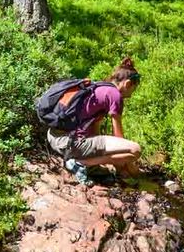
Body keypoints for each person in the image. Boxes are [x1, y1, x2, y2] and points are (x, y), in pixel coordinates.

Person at [47, 57, 142, 185]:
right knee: (135, 150)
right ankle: (80, 163)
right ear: (128, 84)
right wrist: (126, 167)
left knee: (121, 150)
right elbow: (119, 138)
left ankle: (90, 164)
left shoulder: (98, 88)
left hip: (55, 138)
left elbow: (95, 130)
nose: (131, 95)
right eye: (133, 90)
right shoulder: (115, 95)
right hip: (70, 143)